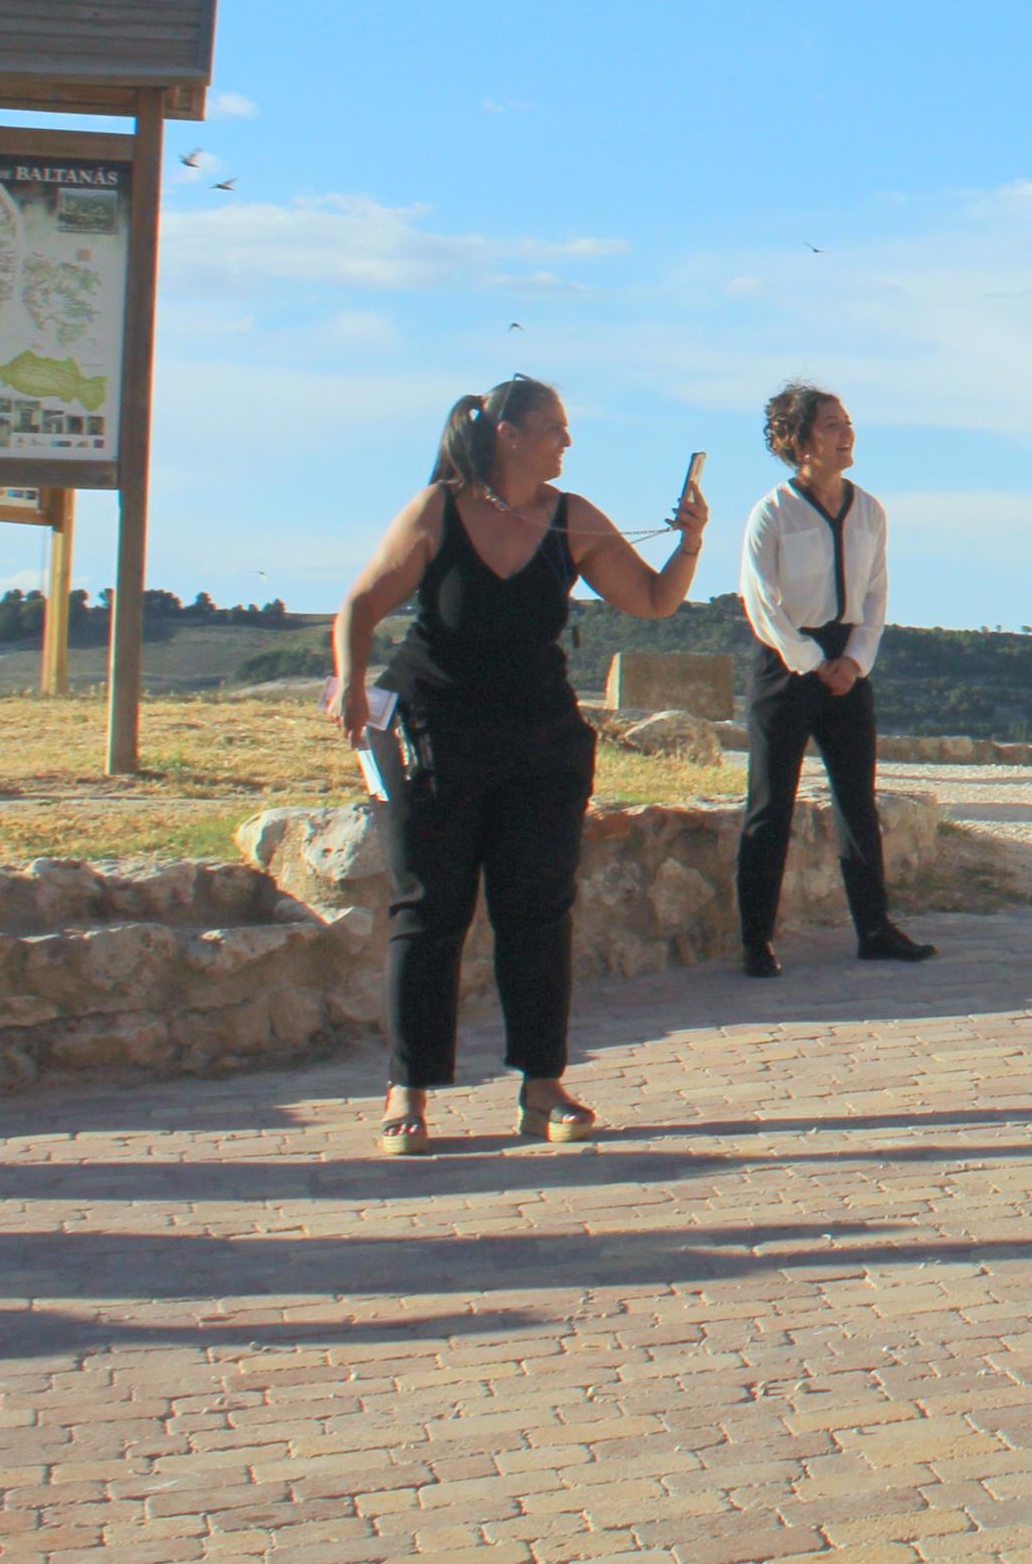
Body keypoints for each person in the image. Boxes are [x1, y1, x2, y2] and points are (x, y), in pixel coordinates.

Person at [328, 379, 709, 1153]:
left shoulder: (573, 517)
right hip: (438, 732)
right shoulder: (437, 509)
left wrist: (691, 540)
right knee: (428, 909)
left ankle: (543, 1087)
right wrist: (347, 684)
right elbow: (360, 605)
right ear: (507, 432)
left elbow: (654, 600)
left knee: (537, 913)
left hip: (541, 739)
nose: (566, 443)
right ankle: (409, 1090)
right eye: (553, 428)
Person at [734, 384, 933, 976]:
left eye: (847, 422)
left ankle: (874, 927)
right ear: (797, 441)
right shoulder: (772, 511)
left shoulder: (869, 510)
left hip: (848, 659)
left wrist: (855, 661)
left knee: (857, 802)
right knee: (771, 804)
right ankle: (756, 940)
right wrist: (808, 660)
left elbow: (876, 594)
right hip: (787, 659)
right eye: (830, 425)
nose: (845, 434)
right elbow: (760, 601)